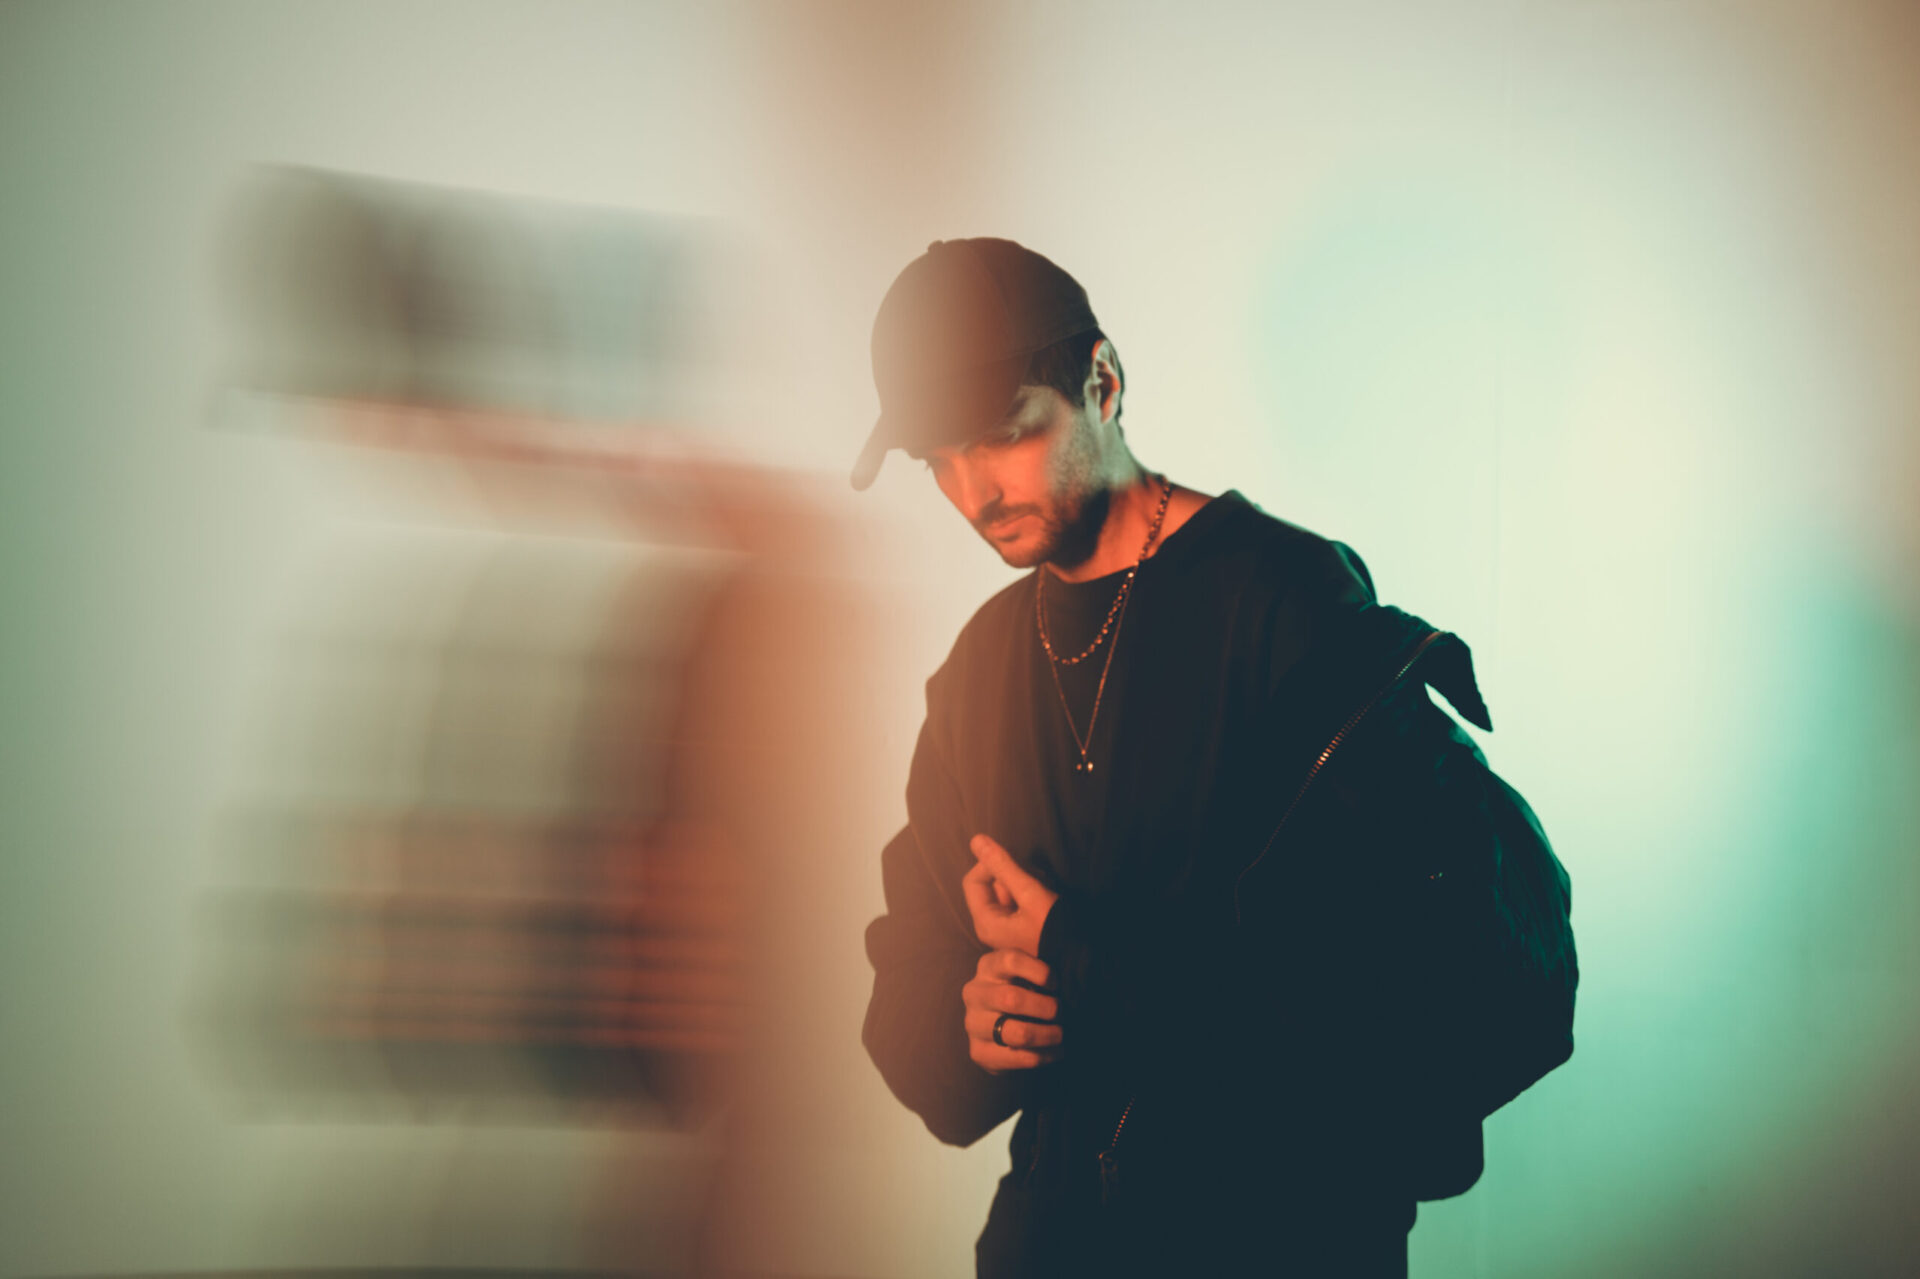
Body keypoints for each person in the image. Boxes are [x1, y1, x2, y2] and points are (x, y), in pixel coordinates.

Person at [854, 238, 1576, 1278]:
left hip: (1278, 1240)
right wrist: (969, 1027)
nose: (974, 492)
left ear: (1102, 382)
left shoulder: (1287, 607)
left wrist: (1070, 951)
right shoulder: (978, 670)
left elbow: (1384, 989)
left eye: (1003, 435)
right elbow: (907, 979)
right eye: (937, 461)